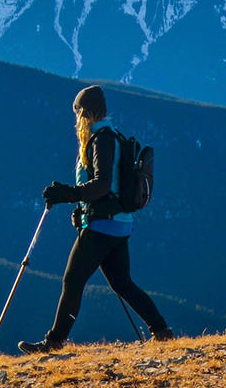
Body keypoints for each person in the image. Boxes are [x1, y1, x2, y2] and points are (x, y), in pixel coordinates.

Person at [18, 85, 174, 354]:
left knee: (73, 280)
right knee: (122, 283)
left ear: (84, 113)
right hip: (119, 224)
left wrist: (68, 194)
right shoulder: (111, 136)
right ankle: (162, 332)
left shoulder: (101, 139)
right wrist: (79, 206)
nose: (75, 119)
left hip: (103, 226)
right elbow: (105, 187)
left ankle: (54, 343)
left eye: (77, 112)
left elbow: (101, 184)